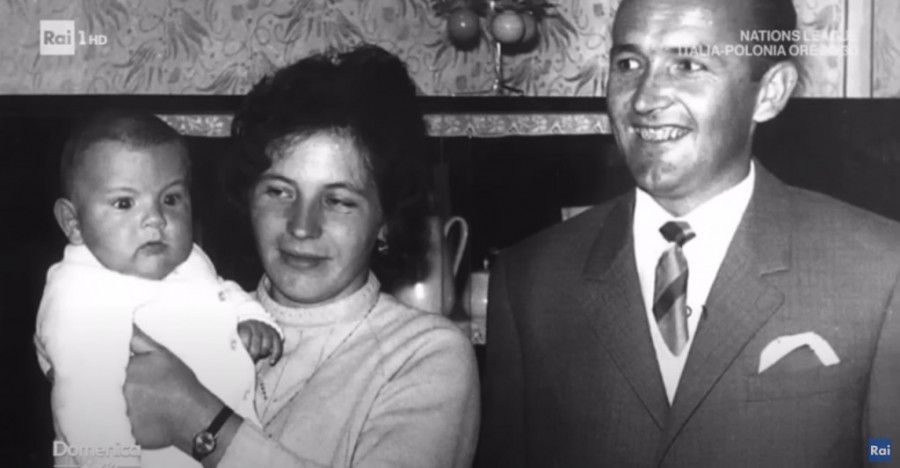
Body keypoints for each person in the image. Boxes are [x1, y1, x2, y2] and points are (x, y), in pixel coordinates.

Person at [480, 0, 900, 466]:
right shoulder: (530, 280)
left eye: (688, 65)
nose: (644, 99)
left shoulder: (879, 271)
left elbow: (886, 453)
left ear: (770, 92)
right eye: (629, 64)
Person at [121, 45, 480, 468]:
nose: (302, 226)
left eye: (338, 201)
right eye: (279, 191)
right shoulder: (186, 321)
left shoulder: (426, 354)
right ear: (249, 199)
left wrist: (198, 420)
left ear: (385, 222)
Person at [33, 111, 284, 468]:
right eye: (124, 203)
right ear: (74, 224)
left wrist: (250, 317)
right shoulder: (80, 295)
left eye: (170, 199)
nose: (156, 219)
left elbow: (220, 291)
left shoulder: (186, 257)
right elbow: (86, 406)